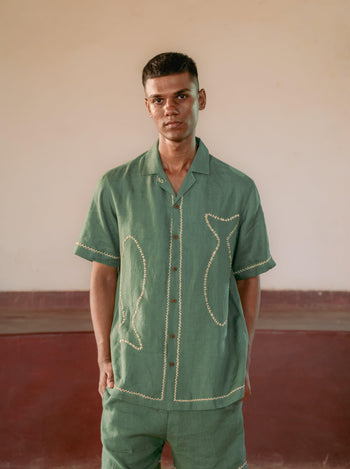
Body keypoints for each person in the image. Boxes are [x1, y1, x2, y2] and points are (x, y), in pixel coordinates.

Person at [74, 52, 275, 469]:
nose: (171, 109)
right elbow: (104, 278)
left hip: (211, 386)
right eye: (159, 100)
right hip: (131, 386)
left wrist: (241, 360)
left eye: (181, 96)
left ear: (200, 98)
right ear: (147, 106)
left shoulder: (239, 190)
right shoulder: (116, 187)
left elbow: (247, 281)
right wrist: (104, 357)